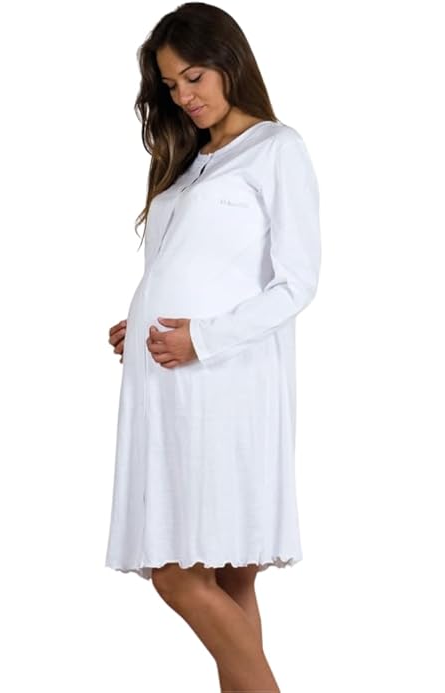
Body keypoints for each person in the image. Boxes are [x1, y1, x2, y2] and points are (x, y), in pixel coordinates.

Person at [105, 3, 321, 691]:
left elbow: (297, 283)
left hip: (226, 383)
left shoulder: (276, 148)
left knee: (177, 574)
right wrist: (139, 320)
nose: (184, 96)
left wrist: (201, 337)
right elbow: (194, 264)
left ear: (229, 62)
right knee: (229, 578)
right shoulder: (191, 162)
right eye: (171, 86)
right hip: (167, 381)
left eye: (193, 77)